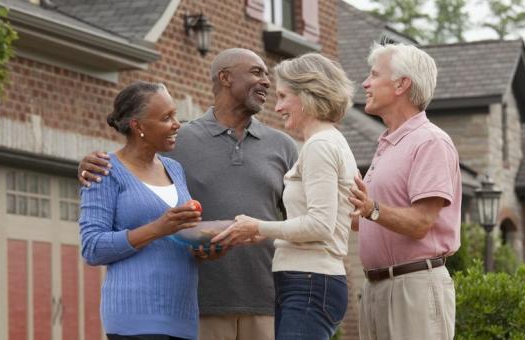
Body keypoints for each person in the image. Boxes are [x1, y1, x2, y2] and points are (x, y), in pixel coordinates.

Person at [79, 48, 298, 340]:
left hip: (261, 301)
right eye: (257, 72)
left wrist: (207, 249)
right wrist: (85, 166)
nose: (267, 82)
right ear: (226, 78)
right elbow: (126, 167)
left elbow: (300, 218)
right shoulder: (177, 141)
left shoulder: (282, 146)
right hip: (199, 307)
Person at [211, 53, 358, 339]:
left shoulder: (320, 146)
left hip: (310, 283)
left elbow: (319, 225)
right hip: (308, 282)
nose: (276, 107)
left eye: (283, 96)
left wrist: (259, 227)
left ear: (307, 95)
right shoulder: (326, 143)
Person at [348, 43, 461, 340]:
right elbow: (370, 217)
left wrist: (372, 208)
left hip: (414, 287)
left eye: (374, 74)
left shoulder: (430, 142)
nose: (365, 83)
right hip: (375, 288)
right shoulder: (387, 144)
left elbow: (421, 222)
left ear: (401, 84)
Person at [79, 81, 204, 340]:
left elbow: (179, 238)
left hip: (182, 316)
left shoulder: (174, 169)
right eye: (166, 117)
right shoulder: (103, 170)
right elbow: (92, 248)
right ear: (138, 126)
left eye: (175, 114)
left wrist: (205, 247)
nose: (177, 123)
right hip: (135, 319)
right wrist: (157, 228)